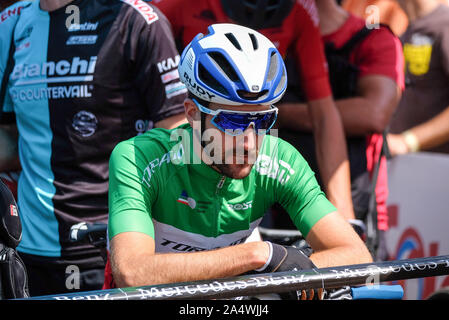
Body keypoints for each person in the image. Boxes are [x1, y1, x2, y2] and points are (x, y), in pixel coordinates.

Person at [104, 24, 373, 297]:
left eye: (263, 120)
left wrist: (293, 270)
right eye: (232, 122)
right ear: (193, 114)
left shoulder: (279, 160)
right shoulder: (138, 157)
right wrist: (257, 256)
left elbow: (357, 256)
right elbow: (132, 272)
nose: (249, 142)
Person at [0, 0, 187, 296]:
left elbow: (178, 129)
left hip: (117, 246)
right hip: (28, 245)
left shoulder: (136, 19)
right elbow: (11, 134)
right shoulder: (10, 22)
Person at [153, 0, 357, 225]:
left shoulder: (300, 10)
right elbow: (168, 108)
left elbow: (324, 115)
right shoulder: (174, 6)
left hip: (247, 164)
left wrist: (345, 216)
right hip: (192, 152)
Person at [273, 0, 404, 260]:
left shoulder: (375, 38)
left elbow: (373, 114)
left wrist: (272, 114)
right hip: (270, 198)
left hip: (351, 201)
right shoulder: (271, 34)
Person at [387, 0, 449, 156]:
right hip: (406, 164)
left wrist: (409, 141)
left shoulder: (444, 25)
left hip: (435, 168)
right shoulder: (408, 30)